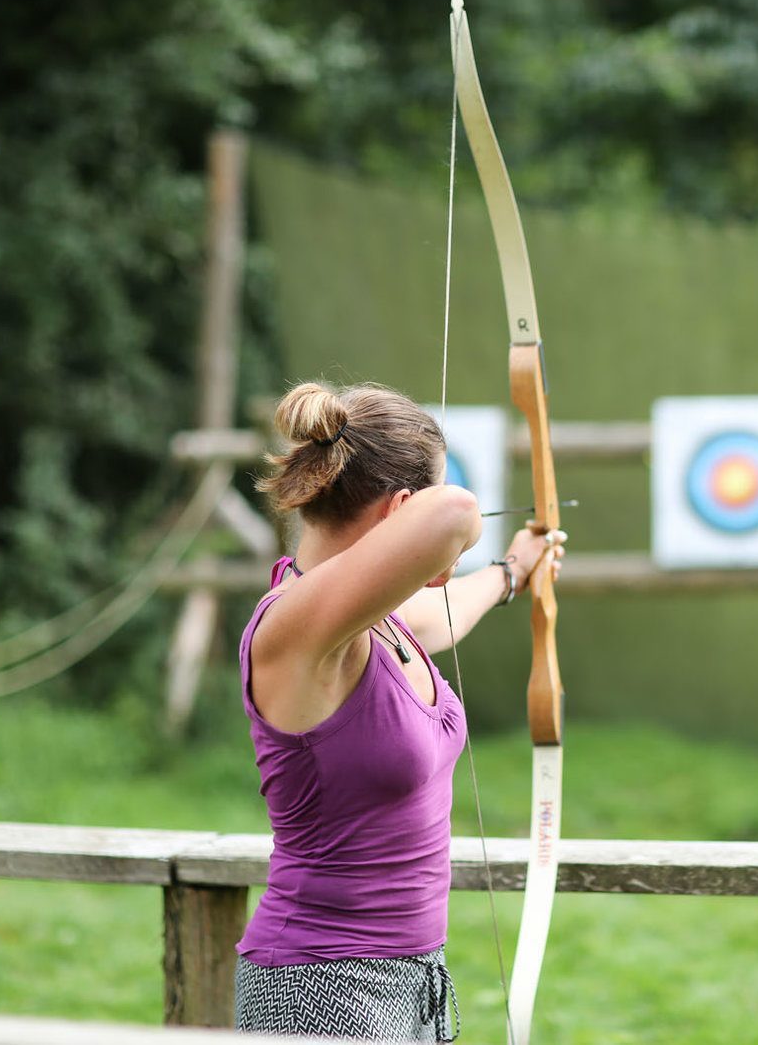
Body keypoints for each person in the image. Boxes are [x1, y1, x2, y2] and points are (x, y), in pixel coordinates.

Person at [233, 381, 564, 1042]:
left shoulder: (376, 622)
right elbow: (454, 514)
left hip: (413, 979)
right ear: (405, 507)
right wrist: (437, 543)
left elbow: (440, 615)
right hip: (316, 984)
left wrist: (509, 572)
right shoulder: (294, 630)